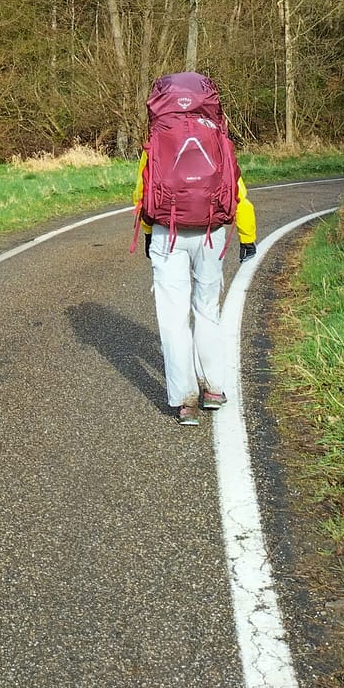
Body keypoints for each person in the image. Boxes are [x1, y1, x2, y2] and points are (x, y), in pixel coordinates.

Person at [133, 71, 256, 425]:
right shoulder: (218, 138)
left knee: (173, 317)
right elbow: (238, 193)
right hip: (211, 231)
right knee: (207, 309)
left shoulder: (158, 140)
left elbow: (143, 193)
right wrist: (247, 237)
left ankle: (184, 400)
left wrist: (147, 231)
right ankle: (214, 389)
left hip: (167, 230)